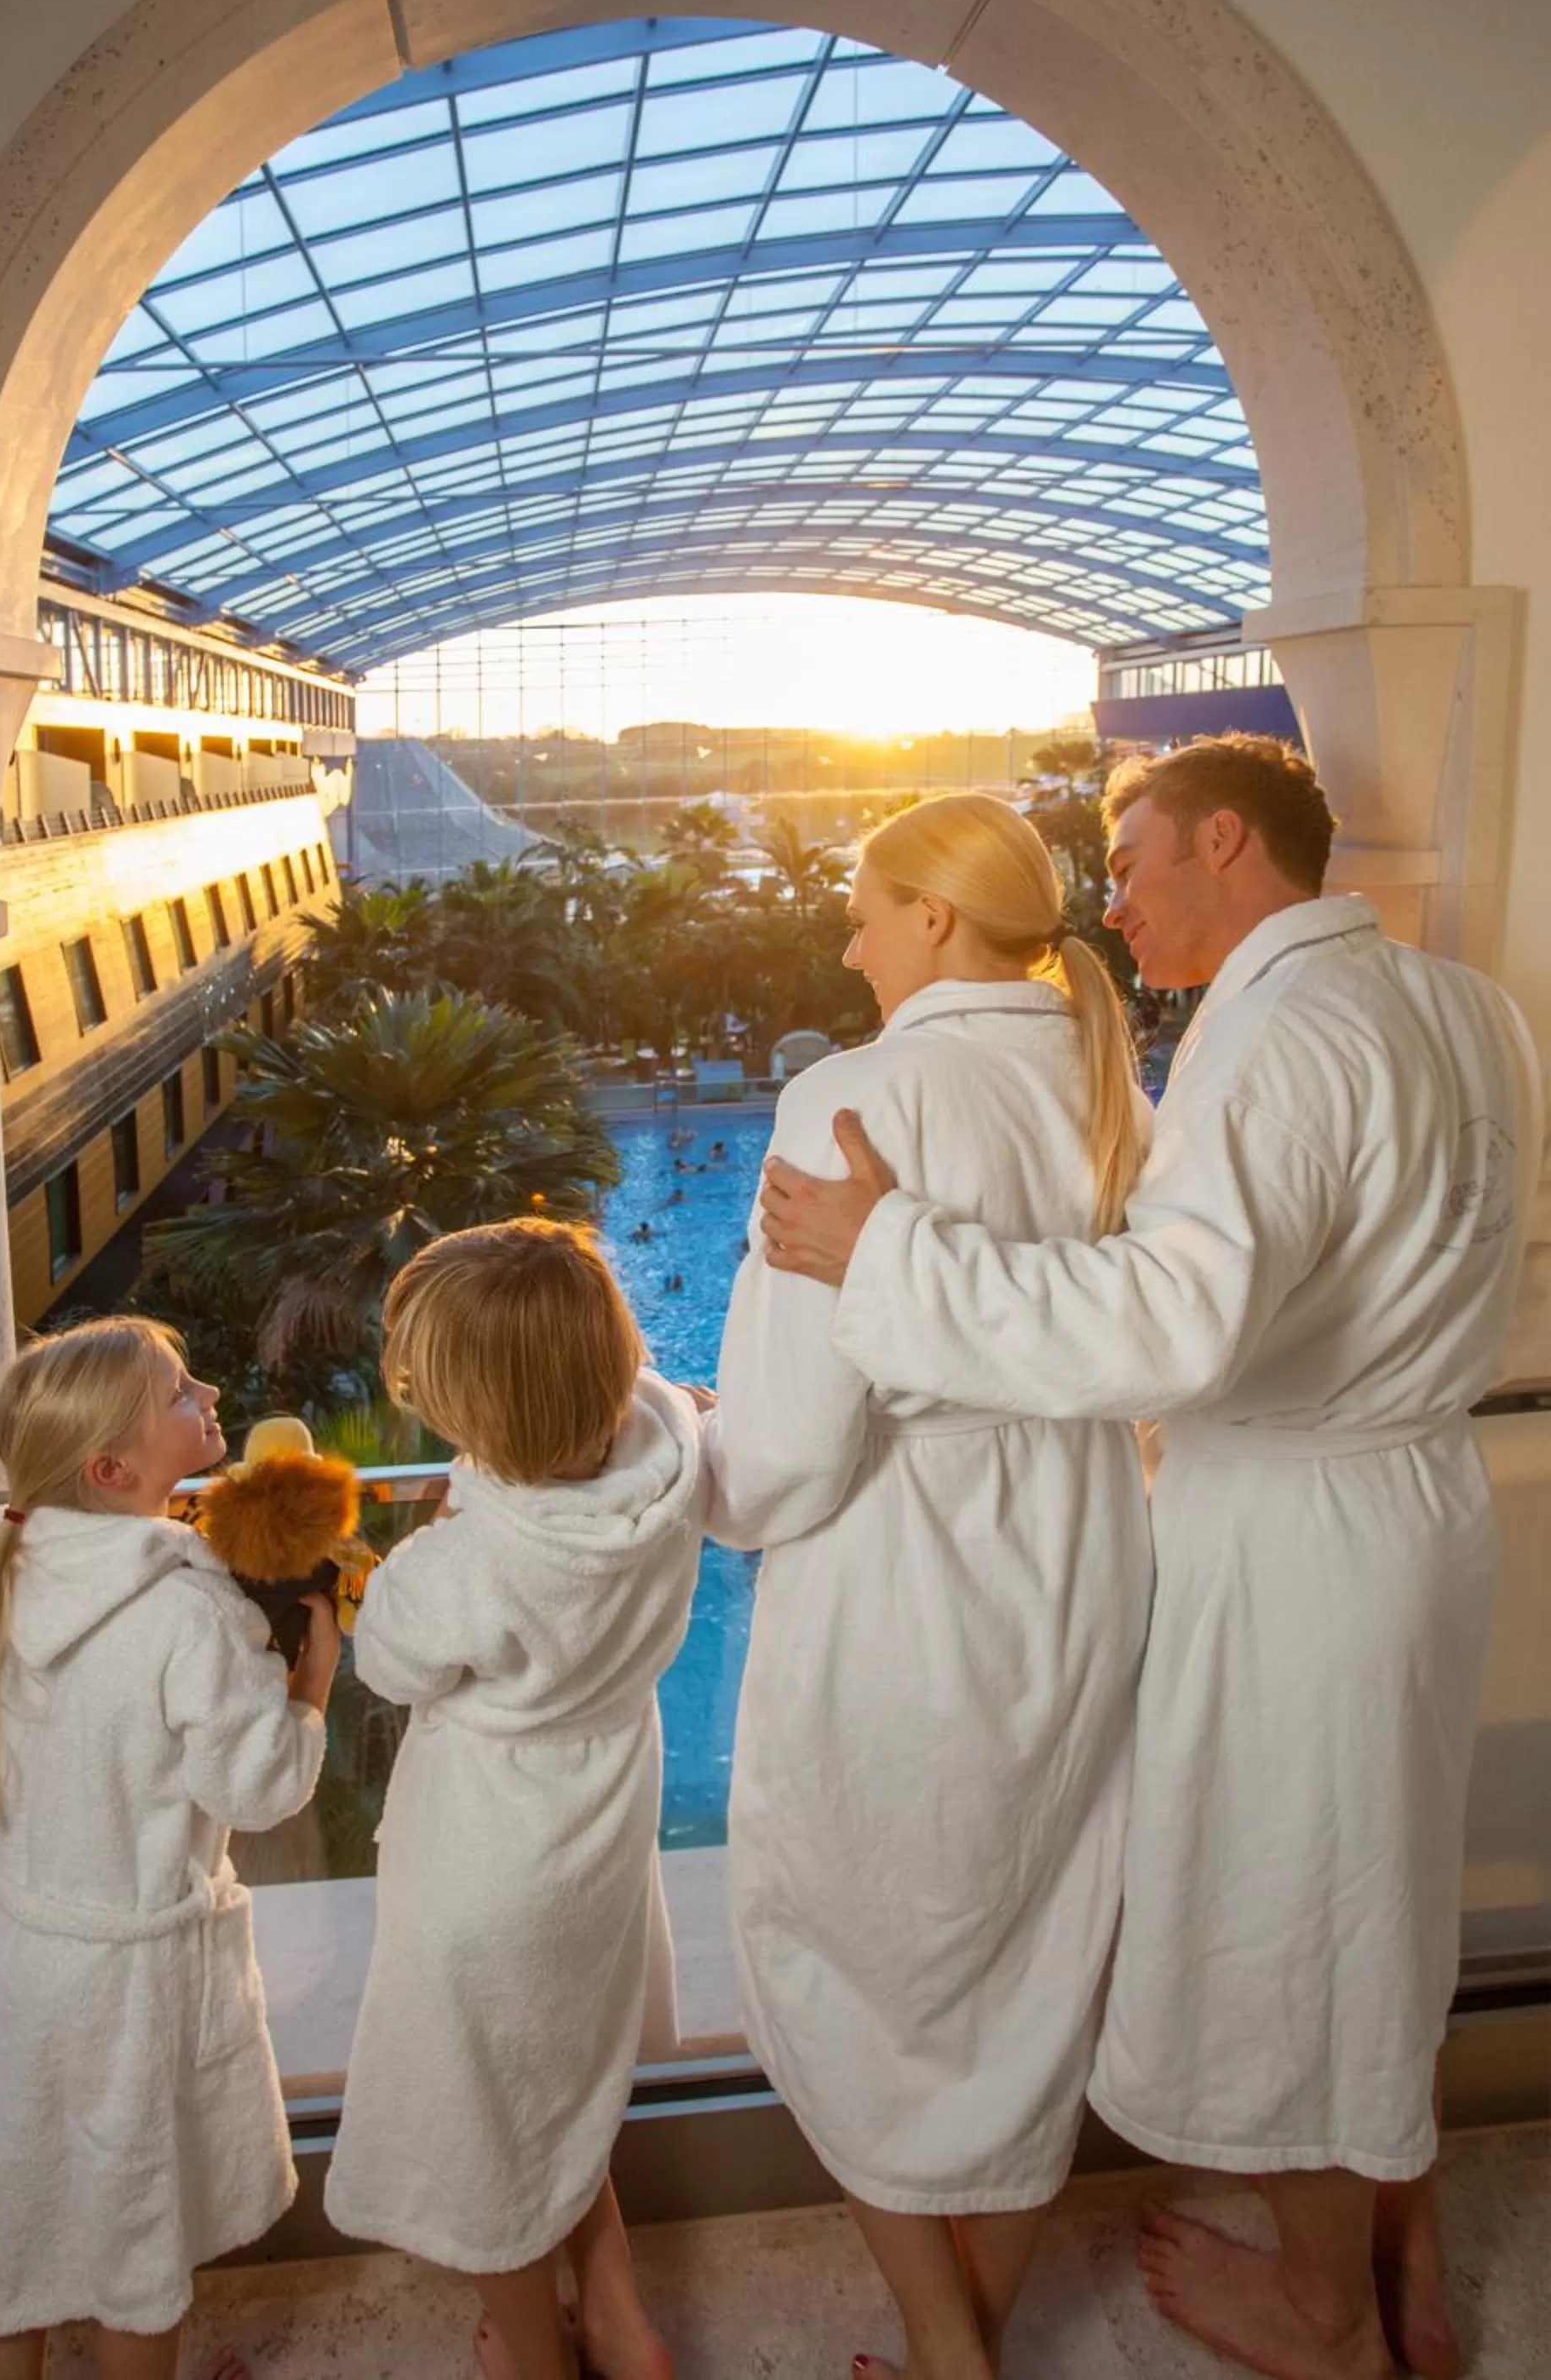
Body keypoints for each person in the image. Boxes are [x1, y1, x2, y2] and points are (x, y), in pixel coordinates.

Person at [758, 737, 1544, 2380]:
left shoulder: (1278, 1032)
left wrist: (884, 1248)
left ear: (1225, 842)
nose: (1106, 905)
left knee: (1300, 1917)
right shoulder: (1470, 1006)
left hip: (1299, 1531)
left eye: (1130, 865)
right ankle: (1415, 2272)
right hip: (1415, 1499)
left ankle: (1332, 2319)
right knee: (1383, 1902)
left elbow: (1173, 1327)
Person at [707, 792, 1155, 2380]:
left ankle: (936, 2341)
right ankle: (979, 2336)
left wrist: (712, 1490)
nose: (848, 941)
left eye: (865, 910)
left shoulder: (851, 1094)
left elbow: (790, 1433)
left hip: (906, 1568)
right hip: (1084, 1549)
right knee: (1040, 1946)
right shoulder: (1108, 1084)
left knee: (856, 1942)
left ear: (939, 922)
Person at [0, 1317, 340, 2380]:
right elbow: (257, 1785)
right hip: (136, 1986)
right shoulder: (185, 1611)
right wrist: (312, 1681)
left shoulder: (2, 1581)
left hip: (22, 1965)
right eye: (177, 1391)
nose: (206, 1389)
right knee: (134, 2248)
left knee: (3, 2242)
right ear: (113, 1469)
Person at [325, 1220, 706, 2380]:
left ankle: (536, 2353)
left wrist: (424, 1537)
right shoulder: (670, 1456)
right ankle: (623, 2320)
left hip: (486, 1860)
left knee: (491, 2124)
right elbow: (639, 1391)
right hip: (598, 1835)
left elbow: (387, 1665)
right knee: (562, 2079)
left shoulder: (464, 1564)